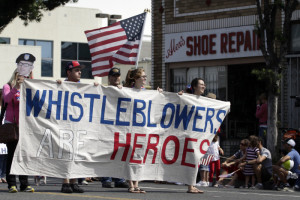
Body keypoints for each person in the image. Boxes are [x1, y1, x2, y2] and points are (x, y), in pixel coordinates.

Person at [57, 61, 95, 193]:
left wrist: (96, 87)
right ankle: (65, 182)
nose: (80, 72)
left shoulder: (83, 87)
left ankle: (74, 182)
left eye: (80, 70)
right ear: (69, 72)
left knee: (76, 154)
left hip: (79, 125)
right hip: (65, 124)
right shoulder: (61, 85)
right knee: (66, 154)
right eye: (76, 70)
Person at [3, 53, 36, 193]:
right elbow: (6, 100)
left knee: (24, 156)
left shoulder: (28, 87)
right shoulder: (8, 86)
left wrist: (32, 82)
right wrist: (16, 86)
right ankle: (12, 184)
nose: (22, 77)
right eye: (20, 75)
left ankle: (24, 184)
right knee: (12, 156)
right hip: (12, 126)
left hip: (25, 126)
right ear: (15, 74)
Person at [100, 67, 128, 189]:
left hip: (120, 126)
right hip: (106, 125)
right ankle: (106, 178)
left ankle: (119, 179)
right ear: (109, 78)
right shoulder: (104, 89)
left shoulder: (124, 90)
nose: (116, 78)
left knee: (119, 153)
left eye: (118, 76)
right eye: (113, 76)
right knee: (106, 153)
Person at [179, 78, 206, 193]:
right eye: (201, 84)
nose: (203, 86)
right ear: (194, 87)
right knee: (192, 159)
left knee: (196, 160)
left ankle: (192, 184)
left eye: (204, 84)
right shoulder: (187, 98)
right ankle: (190, 186)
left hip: (199, 135)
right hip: (189, 134)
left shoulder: (205, 100)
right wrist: (179, 96)